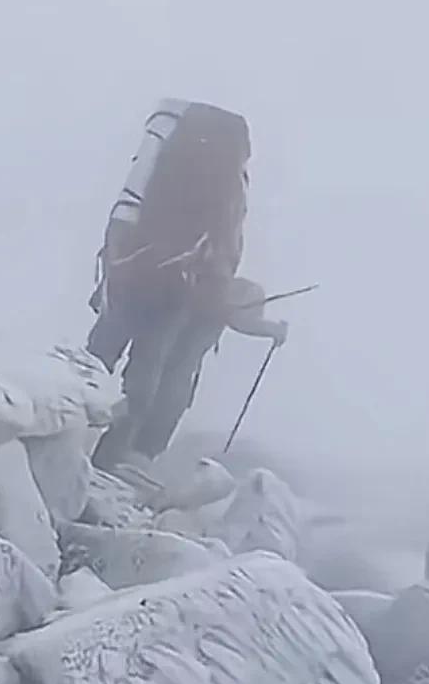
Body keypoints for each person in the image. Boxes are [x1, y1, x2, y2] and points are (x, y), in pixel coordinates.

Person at [88, 100, 286, 469]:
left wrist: (115, 262)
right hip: (177, 288)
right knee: (152, 376)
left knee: (105, 358)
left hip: (135, 274)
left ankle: (80, 439)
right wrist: (267, 326)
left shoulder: (164, 159)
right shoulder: (226, 195)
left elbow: (125, 216)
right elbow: (226, 283)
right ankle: (121, 457)